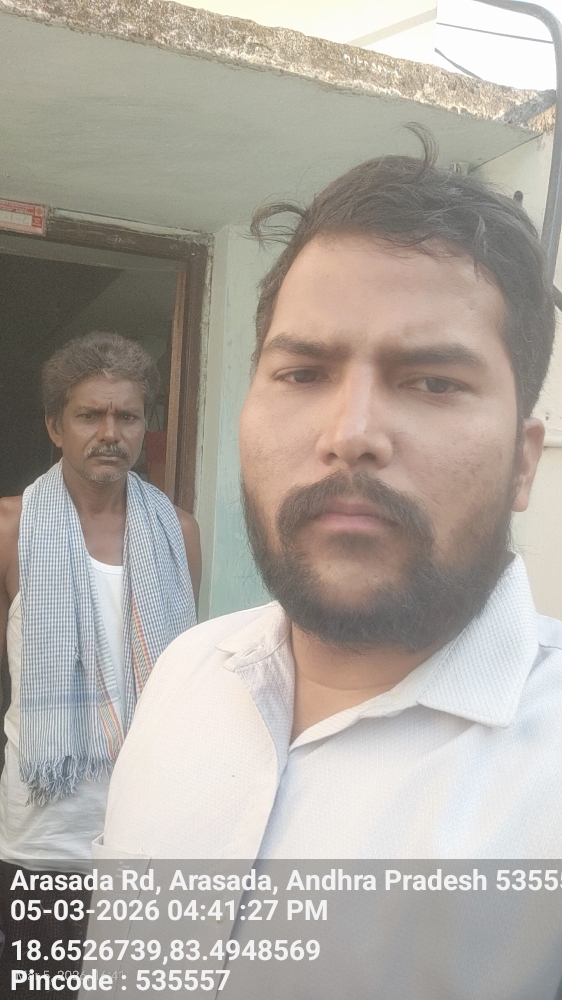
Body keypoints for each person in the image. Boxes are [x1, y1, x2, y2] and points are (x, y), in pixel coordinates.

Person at [100, 142, 562, 861]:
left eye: (434, 382)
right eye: (304, 372)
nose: (350, 436)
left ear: (523, 462)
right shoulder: (185, 673)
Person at [0, 332, 200, 986]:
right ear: (55, 426)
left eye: (127, 416)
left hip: (152, 829)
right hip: (45, 834)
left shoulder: (178, 532)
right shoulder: (10, 528)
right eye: (90, 415)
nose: (110, 433)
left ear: (144, 426)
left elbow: (182, 673)